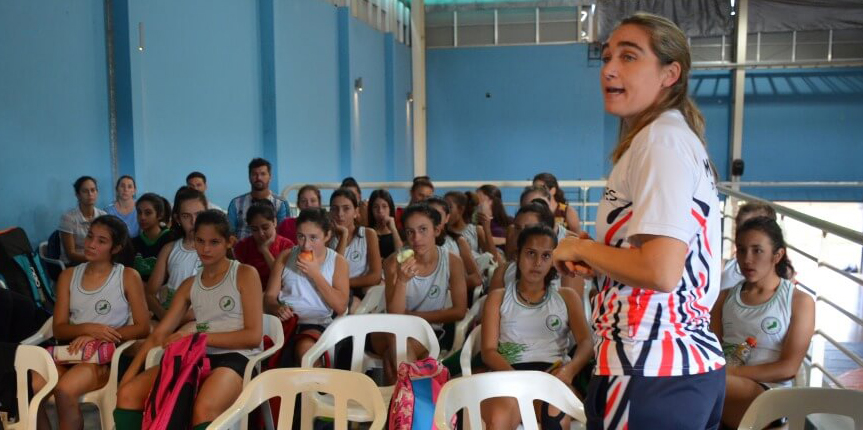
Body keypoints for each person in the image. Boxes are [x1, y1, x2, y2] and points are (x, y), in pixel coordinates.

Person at [552, 13, 726, 429]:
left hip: (651, 366)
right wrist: (603, 262)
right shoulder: (666, 137)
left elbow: (660, 271)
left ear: (670, 73)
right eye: (608, 56)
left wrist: (580, 246)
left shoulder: (661, 141)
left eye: (629, 57)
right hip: (674, 367)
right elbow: (663, 264)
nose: (609, 69)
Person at [115, 210, 263, 430]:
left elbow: (252, 337)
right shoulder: (189, 284)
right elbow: (159, 334)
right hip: (197, 356)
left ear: (229, 242)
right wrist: (128, 376)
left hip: (240, 357)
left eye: (214, 242)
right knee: (128, 395)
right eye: (200, 241)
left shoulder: (244, 274)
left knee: (203, 407)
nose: (206, 248)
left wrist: (198, 335)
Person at [32, 215, 149, 430]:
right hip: (68, 352)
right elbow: (59, 328)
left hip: (101, 358)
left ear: (116, 248)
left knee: (65, 390)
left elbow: (142, 326)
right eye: (89, 237)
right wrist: (87, 329)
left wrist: (97, 337)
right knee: (32, 383)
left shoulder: (127, 276)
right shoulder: (68, 276)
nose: (91, 244)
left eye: (101, 241)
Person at [481, 225, 593, 430]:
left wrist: (570, 370)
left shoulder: (566, 297)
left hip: (553, 376)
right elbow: (488, 351)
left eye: (546, 256)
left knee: (555, 415)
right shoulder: (498, 297)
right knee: (499, 418)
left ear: (553, 260)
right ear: (517, 255)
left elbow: (586, 342)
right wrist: (518, 378)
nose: (537, 263)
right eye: (531, 253)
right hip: (508, 374)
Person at [711, 217, 814, 429]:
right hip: (724, 387)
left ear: (777, 255)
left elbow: (788, 368)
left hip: (770, 396)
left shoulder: (800, 301)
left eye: (757, 250)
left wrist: (727, 373)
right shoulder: (722, 299)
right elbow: (712, 351)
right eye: (741, 250)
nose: (747, 259)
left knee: (703, 381)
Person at [378, 203, 467, 383]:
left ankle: (399, 404)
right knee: (397, 337)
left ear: (437, 230)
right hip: (387, 328)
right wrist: (402, 281)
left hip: (427, 331)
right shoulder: (394, 262)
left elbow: (459, 311)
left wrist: (415, 316)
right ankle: (414, 402)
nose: (416, 238)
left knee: (393, 355)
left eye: (423, 229)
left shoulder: (451, 261)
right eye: (410, 232)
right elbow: (395, 316)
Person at [265, 208, 349, 365]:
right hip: (285, 323)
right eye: (301, 236)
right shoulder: (286, 256)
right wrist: (277, 308)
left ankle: (315, 388)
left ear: (327, 236)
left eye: (313, 238)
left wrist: (315, 274)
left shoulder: (337, 261)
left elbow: (341, 306)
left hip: (317, 323)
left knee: (306, 351)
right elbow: (269, 297)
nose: (306, 245)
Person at [145, 187, 207, 320]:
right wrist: (165, 317)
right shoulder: (170, 249)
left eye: (199, 214)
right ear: (177, 219)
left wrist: (177, 320)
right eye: (186, 216)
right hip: (168, 316)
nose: (193, 222)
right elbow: (150, 294)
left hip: (202, 319)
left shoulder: (218, 249)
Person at [328, 188, 382, 298]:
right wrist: (343, 235)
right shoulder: (326, 237)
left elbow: (375, 276)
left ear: (356, 212)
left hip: (360, 291)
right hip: (335, 293)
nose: (340, 214)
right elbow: (332, 272)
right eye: (335, 209)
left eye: (346, 208)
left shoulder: (368, 234)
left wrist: (344, 283)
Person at [234, 201, 295, 288]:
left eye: (265, 228)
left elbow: (285, 280)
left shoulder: (286, 246)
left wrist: (265, 251)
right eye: (255, 229)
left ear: (274, 222)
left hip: (280, 294)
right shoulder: (243, 247)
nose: (261, 233)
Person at [426, 197, 483, 290]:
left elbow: (476, 278)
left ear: (447, 218)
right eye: (428, 215)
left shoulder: (458, 241)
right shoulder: (415, 242)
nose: (433, 219)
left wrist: (445, 287)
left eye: (438, 215)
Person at [720, 202, 778, 291]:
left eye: (750, 228)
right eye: (740, 228)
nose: (743, 234)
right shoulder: (725, 266)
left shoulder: (779, 277)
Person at [227, 158, 288, 240]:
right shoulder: (236, 203)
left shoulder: (281, 203)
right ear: (249, 177)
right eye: (254, 174)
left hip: (272, 251)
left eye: (263, 174)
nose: (258, 178)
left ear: (270, 177)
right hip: (240, 250)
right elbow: (230, 233)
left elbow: (284, 234)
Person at [59, 176, 107, 265]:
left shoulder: (103, 216)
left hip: (97, 262)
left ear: (97, 192)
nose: (90, 194)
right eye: (85, 191)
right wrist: (95, 259)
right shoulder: (68, 218)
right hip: (74, 264)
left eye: (93, 190)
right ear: (77, 195)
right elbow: (71, 254)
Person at [131, 193, 172, 282]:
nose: (142, 217)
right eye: (139, 212)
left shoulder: (170, 239)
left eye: (148, 213)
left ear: (160, 215)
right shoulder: (133, 243)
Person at [368, 189, 403, 259]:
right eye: (376, 207)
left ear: (390, 209)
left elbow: (401, 256)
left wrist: (393, 230)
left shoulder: (399, 232)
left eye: (384, 206)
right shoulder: (367, 232)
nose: (380, 211)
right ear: (371, 210)